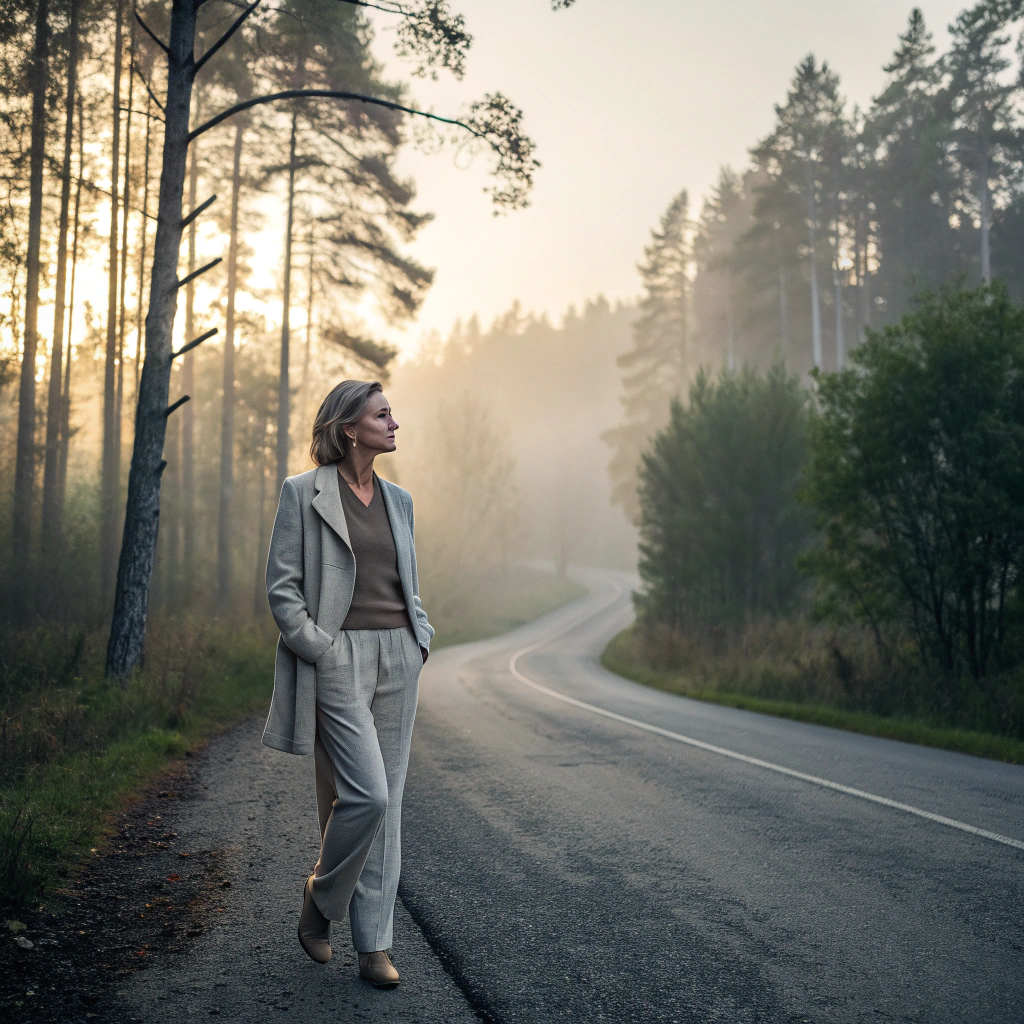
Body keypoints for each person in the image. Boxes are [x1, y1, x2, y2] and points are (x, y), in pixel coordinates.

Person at [262, 379, 432, 988]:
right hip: (337, 657)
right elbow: (282, 584)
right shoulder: (303, 493)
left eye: (392, 413)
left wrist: (420, 638)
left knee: (392, 804)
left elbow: (406, 582)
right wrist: (317, 647)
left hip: (398, 657)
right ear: (348, 429)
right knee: (368, 796)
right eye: (382, 415)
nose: (393, 423)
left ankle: (375, 947)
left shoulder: (400, 500)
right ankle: (322, 900)